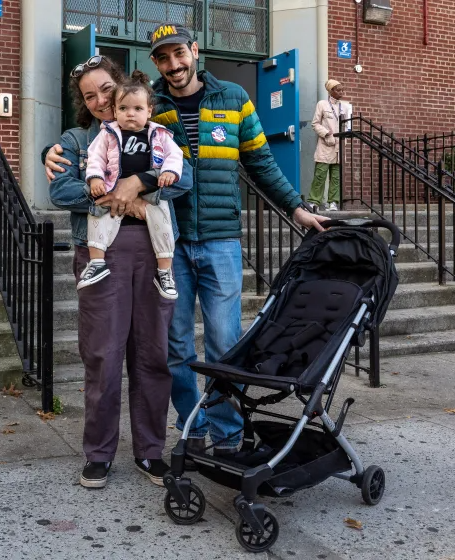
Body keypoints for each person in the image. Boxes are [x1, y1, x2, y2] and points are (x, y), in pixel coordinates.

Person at [147, 23, 330, 463]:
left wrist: (296, 207)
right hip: (168, 245)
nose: (173, 65)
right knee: (175, 346)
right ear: (156, 62)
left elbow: (262, 161)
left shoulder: (234, 98)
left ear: (195, 50)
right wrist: (54, 154)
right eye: (163, 58)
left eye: (179, 54)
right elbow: (106, 142)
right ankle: (192, 425)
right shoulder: (150, 105)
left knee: (225, 344)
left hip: (221, 242)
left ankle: (228, 432)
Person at [43, 55, 193, 489]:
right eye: (89, 96)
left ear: (122, 85)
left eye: (105, 89)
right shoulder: (76, 139)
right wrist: (115, 194)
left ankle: (150, 452)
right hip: (100, 253)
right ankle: (99, 454)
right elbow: (62, 188)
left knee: (153, 354)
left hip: (153, 250)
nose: (99, 100)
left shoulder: (155, 127)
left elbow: (184, 177)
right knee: (103, 355)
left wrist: (140, 181)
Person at [80, 70, 183, 300]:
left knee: (163, 223)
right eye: (124, 109)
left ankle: (165, 272)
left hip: (151, 194)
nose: (130, 114)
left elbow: (175, 156)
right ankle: (96, 262)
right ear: (115, 111)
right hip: (110, 188)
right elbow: (95, 157)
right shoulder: (108, 134)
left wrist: (168, 172)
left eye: (137, 109)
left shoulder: (159, 133)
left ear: (149, 111)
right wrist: (95, 178)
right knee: (97, 216)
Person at [307, 79, 351, 212]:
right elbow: (315, 124)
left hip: (339, 146)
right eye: (338, 90)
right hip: (326, 145)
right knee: (320, 174)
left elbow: (348, 125)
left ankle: (333, 202)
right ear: (330, 91)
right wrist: (326, 134)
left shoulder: (345, 107)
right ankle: (314, 201)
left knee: (336, 176)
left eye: (342, 89)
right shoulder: (322, 104)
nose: (341, 92)